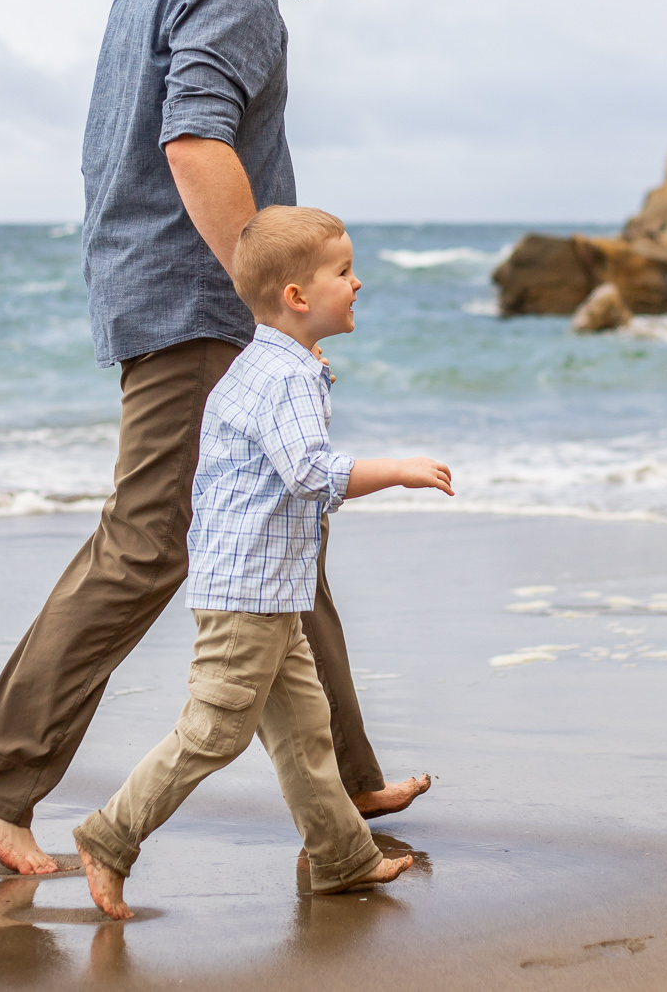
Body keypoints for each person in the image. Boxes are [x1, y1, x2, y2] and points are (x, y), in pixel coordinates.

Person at [0, 0, 430, 876]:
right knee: (151, 540)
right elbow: (194, 143)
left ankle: (344, 774)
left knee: (287, 520)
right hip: (195, 302)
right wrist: (265, 305)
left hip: (160, 283)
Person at [75, 206, 454, 918]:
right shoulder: (284, 379)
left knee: (306, 733)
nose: (358, 283)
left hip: (269, 591)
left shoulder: (275, 364)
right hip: (247, 596)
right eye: (343, 272)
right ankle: (109, 836)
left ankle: (343, 858)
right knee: (213, 732)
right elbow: (309, 472)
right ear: (298, 297)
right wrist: (397, 469)